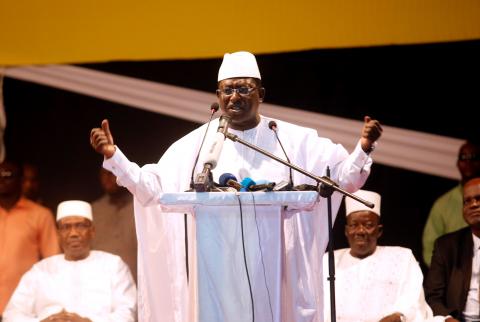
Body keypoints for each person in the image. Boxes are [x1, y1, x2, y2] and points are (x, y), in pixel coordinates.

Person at [90, 51, 383, 322]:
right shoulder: (198, 144)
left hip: (278, 269)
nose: (234, 97)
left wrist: (364, 148)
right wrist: (115, 157)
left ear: (262, 94)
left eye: (243, 88)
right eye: (227, 90)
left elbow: (345, 178)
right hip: (217, 272)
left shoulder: (292, 140)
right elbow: (152, 188)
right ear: (218, 96)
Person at [2, 200, 137, 322]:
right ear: (58, 234)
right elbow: (11, 315)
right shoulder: (41, 270)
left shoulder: (113, 265)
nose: (73, 233)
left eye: (80, 226)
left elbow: (128, 313)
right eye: (66, 227)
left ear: (92, 231)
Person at [323, 190, 437, 322]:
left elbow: (414, 299)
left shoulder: (402, 257)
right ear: (346, 231)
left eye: (368, 225)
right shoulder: (328, 260)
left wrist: (399, 315)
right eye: (354, 225)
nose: (360, 231)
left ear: (379, 231)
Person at [0, 159, 59, 315]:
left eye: (8, 175)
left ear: (21, 180)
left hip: (22, 306)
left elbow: (52, 264)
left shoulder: (40, 215)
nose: (2, 179)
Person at [424, 177, 480, 322]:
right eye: (467, 201)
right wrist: (447, 318)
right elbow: (432, 295)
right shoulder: (447, 246)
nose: (473, 205)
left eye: (478, 198)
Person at [423, 140, 480, 266]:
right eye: (463, 157)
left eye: (473, 157)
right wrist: (446, 274)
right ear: (458, 163)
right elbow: (429, 248)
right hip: (455, 275)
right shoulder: (443, 204)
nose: (468, 162)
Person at [91, 168, 137, 282]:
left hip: (137, 281)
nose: (107, 178)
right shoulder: (93, 210)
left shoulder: (142, 207)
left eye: (111, 173)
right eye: (103, 174)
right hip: (101, 283)